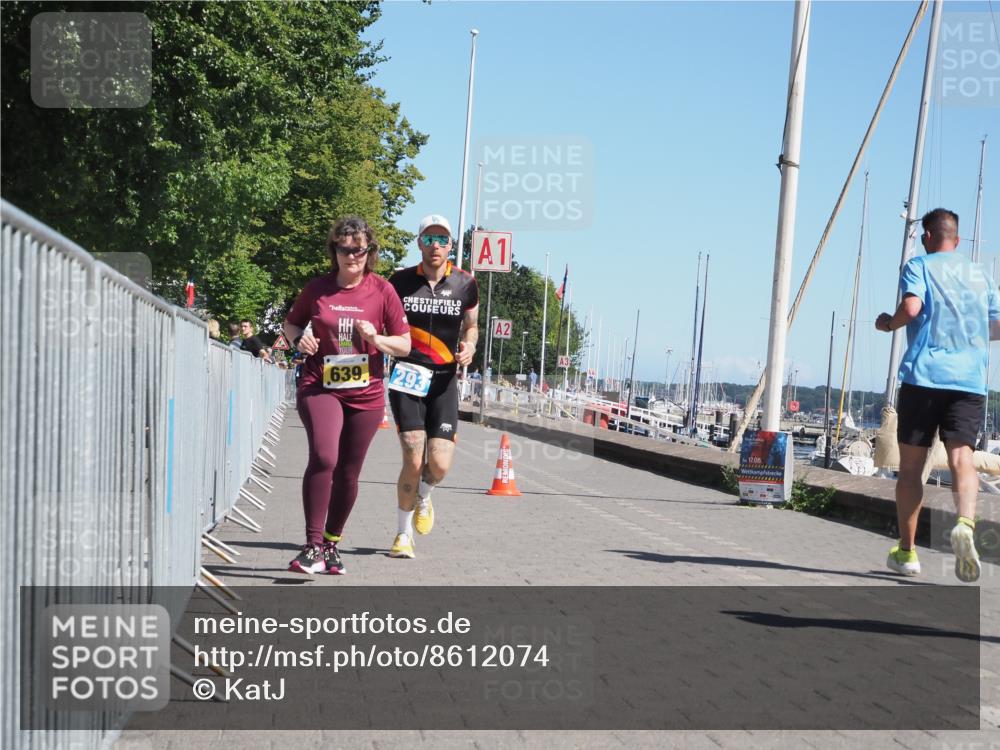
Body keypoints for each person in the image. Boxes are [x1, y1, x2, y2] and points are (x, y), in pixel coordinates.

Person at [876, 208, 1000, 582]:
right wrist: (971, 335)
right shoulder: (981, 275)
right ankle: (964, 524)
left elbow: (911, 308)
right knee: (963, 458)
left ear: (927, 237)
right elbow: (997, 325)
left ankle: (907, 553)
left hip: (924, 378)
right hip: (968, 382)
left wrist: (889, 324)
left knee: (912, 469)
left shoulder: (919, 266)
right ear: (957, 239)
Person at [283, 216, 411, 574]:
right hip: (319, 385)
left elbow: (404, 345)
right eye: (344, 249)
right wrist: (299, 339)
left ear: (370, 252)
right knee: (325, 456)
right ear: (334, 250)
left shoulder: (382, 291)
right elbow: (291, 323)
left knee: (349, 473)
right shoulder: (317, 289)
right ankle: (312, 546)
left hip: (365, 395)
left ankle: (331, 543)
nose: (352, 256)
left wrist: (376, 339)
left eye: (359, 250)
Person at [386, 214, 479, 559]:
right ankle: (402, 534)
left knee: (438, 465)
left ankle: (424, 494)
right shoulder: (399, 282)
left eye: (442, 240)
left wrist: (470, 345)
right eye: (428, 239)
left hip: (443, 381)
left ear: (451, 245)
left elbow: (472, 325)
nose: (435, 245)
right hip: (407, 377)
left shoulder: (465, 283)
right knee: (413, 457)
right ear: (419, 243)